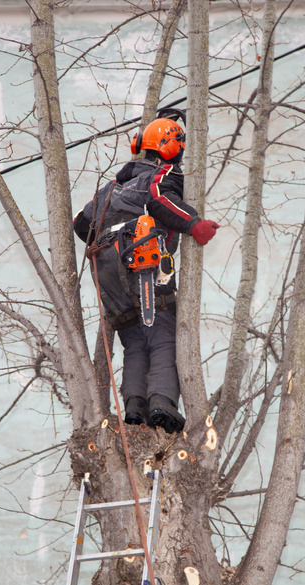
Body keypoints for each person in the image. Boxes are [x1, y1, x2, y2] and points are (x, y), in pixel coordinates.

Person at [73, 109, 219, 434]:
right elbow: (160, 200)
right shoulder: (162, 175)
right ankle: (162, 404)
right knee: (162, 336)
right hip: (140, 264)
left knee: (135, 342)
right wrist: (194, 224)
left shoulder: (111, 188)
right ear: (171, 147)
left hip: (106, 273)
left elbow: (80, 223)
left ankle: (134, 408)